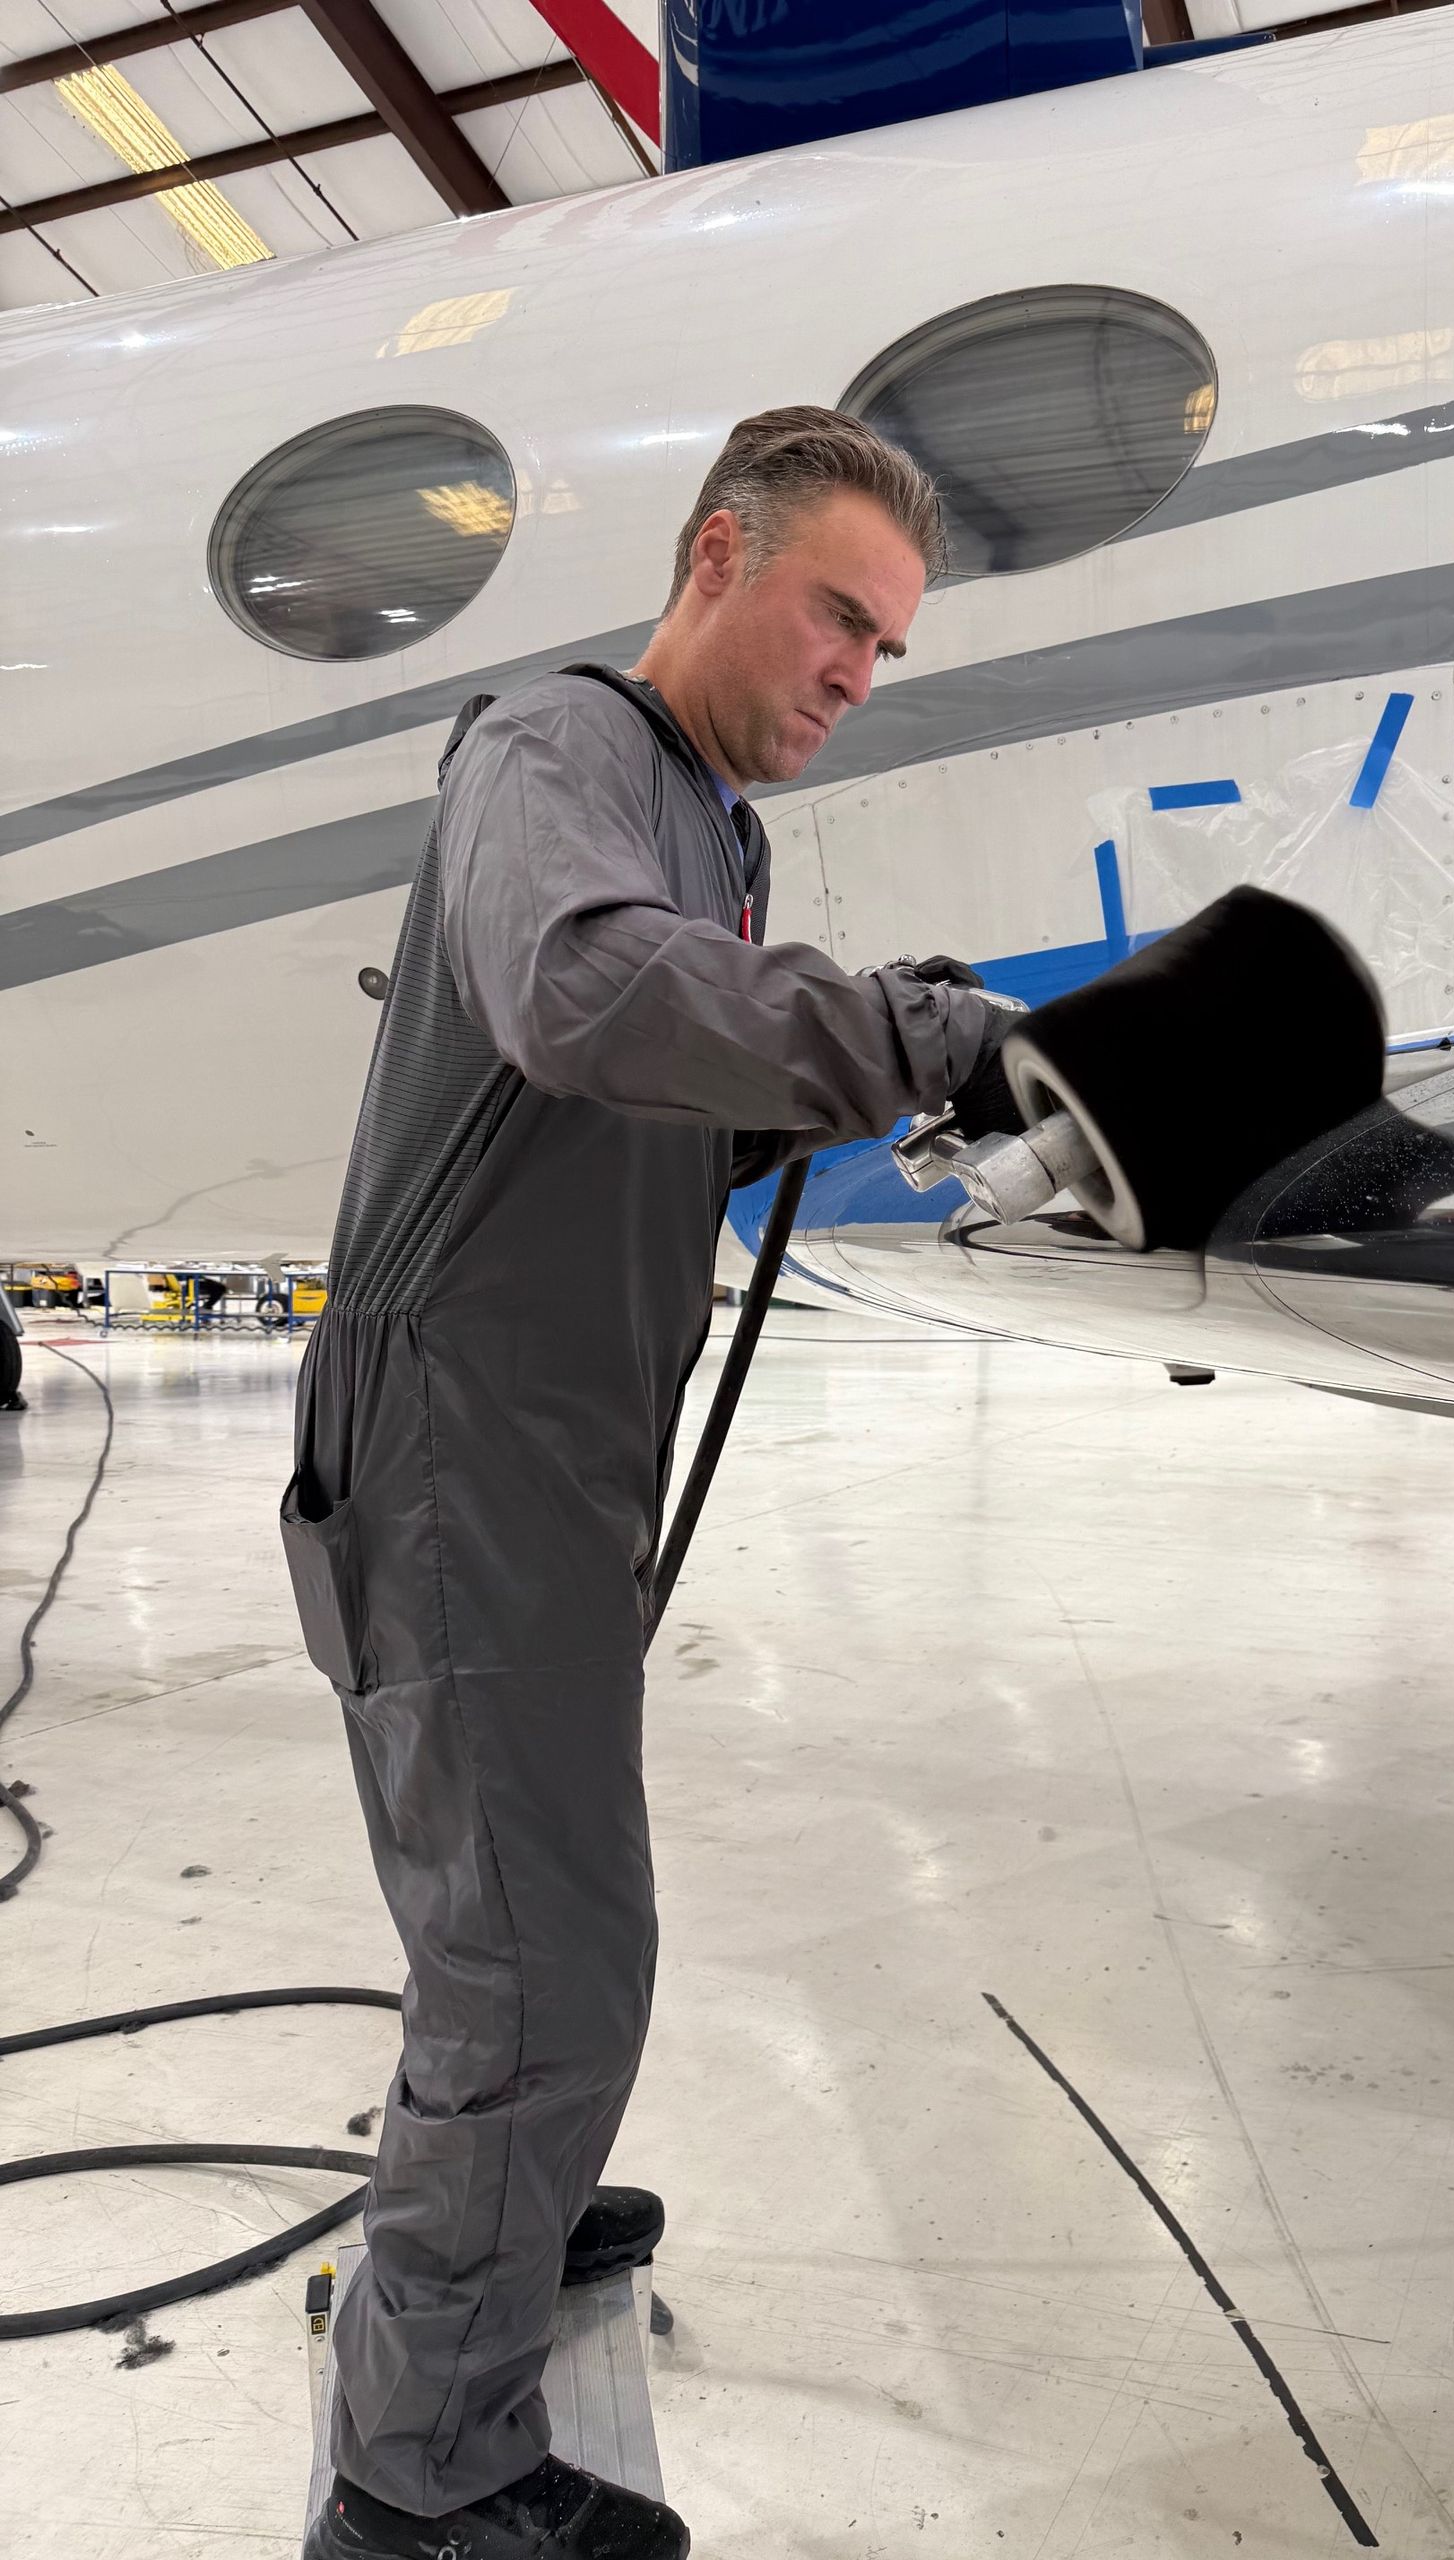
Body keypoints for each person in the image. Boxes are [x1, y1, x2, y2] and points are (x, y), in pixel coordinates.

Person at [291, 408, 1018, 2560]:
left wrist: (849, 1080)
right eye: (837, 618)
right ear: (720, 556)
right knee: (549, 1959)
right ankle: (415, 2475)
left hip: (551, 1444)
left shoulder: (712, 833)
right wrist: (902, 1031)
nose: (856, 677)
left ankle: (489, 2222)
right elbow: (575, 991)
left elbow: (650, 1116)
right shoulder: (553, 748)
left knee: (522, 1915)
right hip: (456, 1454)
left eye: (888, 650)